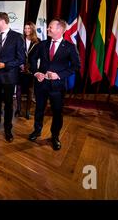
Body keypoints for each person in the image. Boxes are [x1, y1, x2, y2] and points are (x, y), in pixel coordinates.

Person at [28, 18, 80, 150]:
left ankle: (55, 136)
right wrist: (36, 72)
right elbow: (32, 59)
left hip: (57, 87)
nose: (47, 29)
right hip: (41, 84)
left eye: (50, 27)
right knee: (39, 109)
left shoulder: (69, 47)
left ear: (60, 29)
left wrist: (59, 75)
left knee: (57, 112)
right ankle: (37, 130)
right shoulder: (42, 44)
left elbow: (76, 66)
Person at [0, 12, 26, 143]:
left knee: (8, 104)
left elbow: (21, 59)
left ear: (3, 21)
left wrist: (4, 64)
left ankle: (8, 129)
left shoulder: (17, 37)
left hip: (9, 77)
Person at [15, 21, 40, 119]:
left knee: (30, 90)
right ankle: (18, 109)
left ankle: (28, 111)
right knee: (19, 89)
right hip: (20, 68)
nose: (26, 30)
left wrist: (32, 67)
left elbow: (38, 56)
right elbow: (16, 53)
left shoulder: (37, 41)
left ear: (33, 29)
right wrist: (20, 64)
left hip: (31, 69)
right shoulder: (20, 39)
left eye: (29, 28)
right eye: (25, 28)